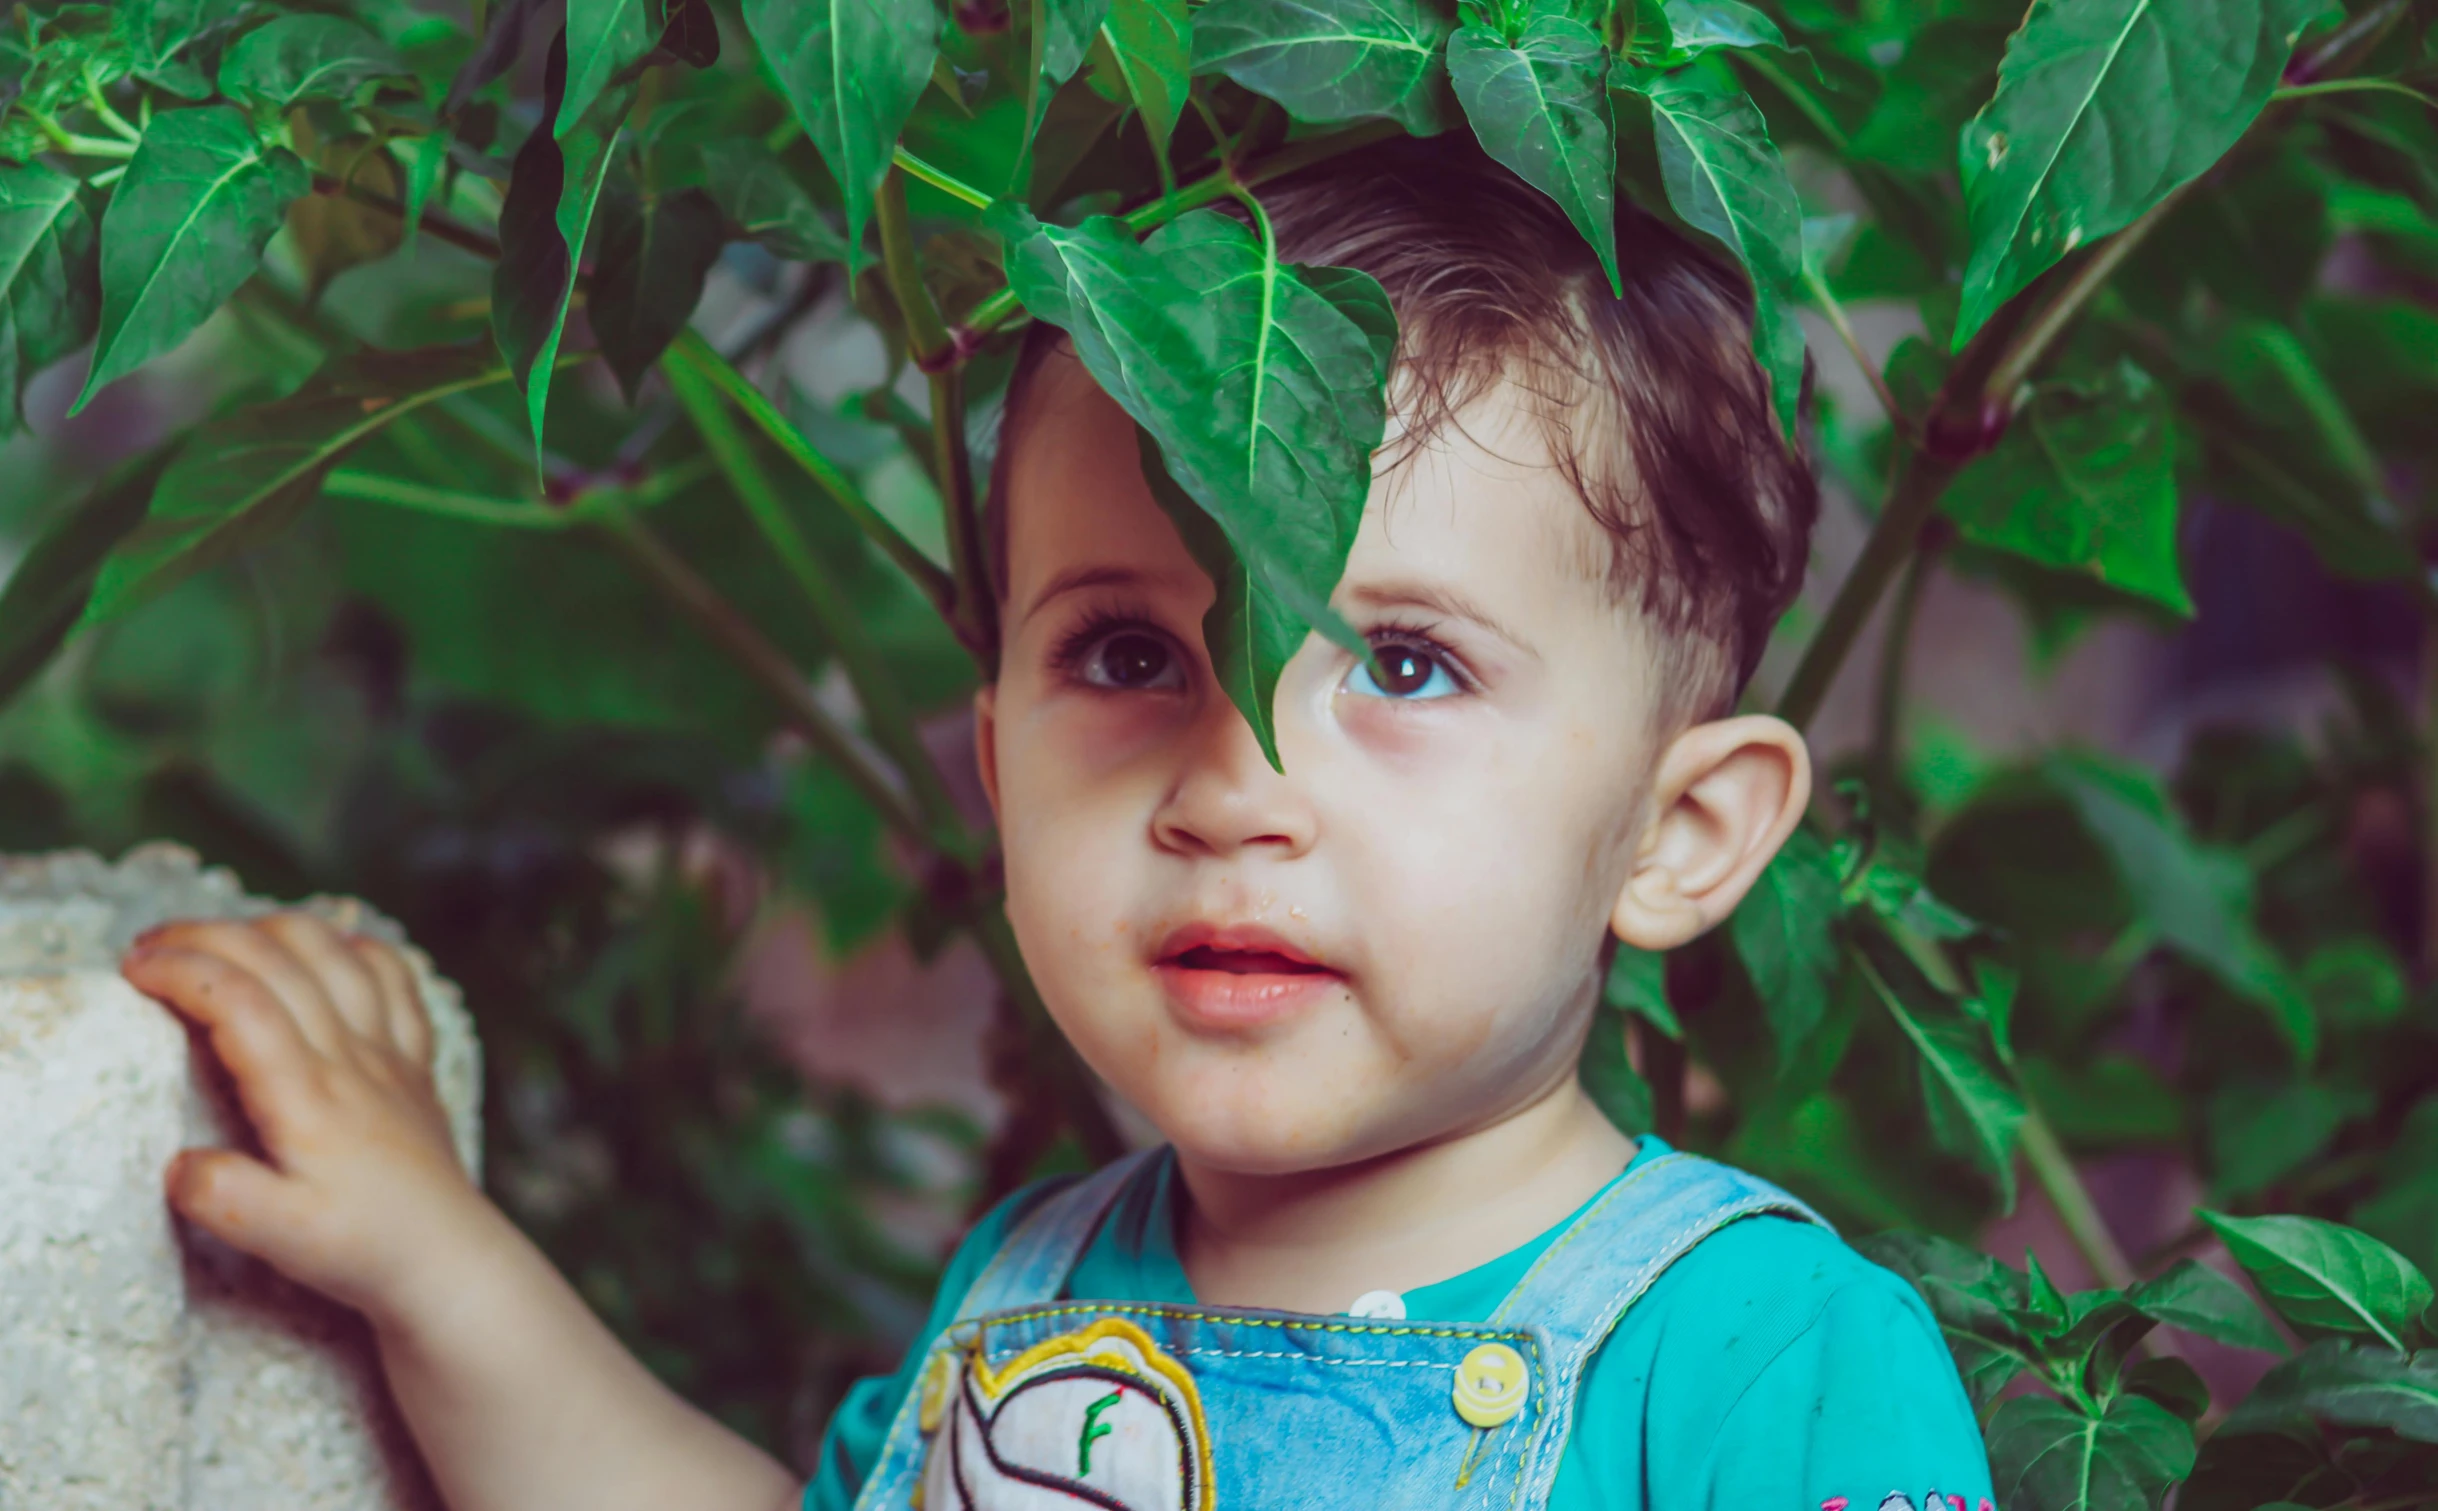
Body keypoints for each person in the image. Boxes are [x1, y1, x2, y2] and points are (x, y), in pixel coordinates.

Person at [119, 135, 1996, 1511]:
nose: (1234, 786)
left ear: (1678, 832)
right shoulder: (1027, 1295)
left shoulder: (1758, 1359)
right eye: (1122, 649)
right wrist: (436, 1256)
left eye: (1405, 666)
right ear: (998, 758)